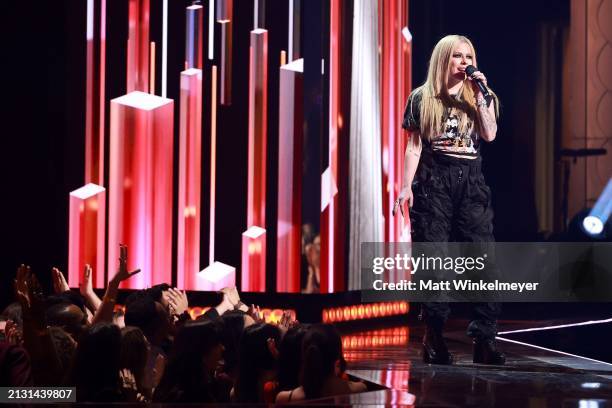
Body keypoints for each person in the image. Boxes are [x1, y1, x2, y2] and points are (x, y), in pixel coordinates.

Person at [394, 34, 505, 365]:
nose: (464, 62)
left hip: (471, 183)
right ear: (444, 60)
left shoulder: (481, 96)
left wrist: (481, 95)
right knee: (434, 262)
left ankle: (484, 339)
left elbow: (490, 134)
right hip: (435, 182)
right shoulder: (422, 98)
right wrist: (405, 186)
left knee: (483, 259)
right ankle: (434, 336)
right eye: (457, 56)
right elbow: (414, 146)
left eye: (468, 55)